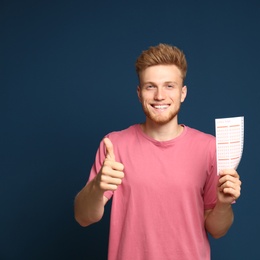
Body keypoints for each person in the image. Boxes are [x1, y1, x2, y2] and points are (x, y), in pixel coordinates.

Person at [74, 43, 242, 260]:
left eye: (169, 86)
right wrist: (97, 187)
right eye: (150, 86)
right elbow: (83, 217)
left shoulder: (209, 148)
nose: (160, 96)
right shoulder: (114, 145)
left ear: (183, 93)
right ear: (139, 92)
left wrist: (223, 204)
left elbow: (217, 230)